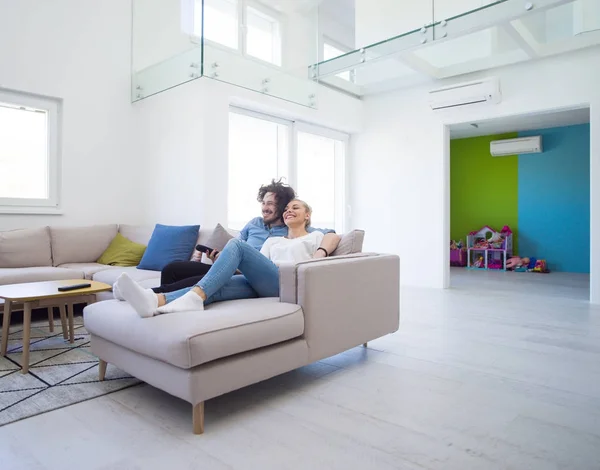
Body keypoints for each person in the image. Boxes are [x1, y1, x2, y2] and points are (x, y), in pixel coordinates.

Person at [115, 199, 338, 318]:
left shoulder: (316, 236)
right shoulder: (273, 242)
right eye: (287, 209)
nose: (289, 211)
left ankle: (192, 296)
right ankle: (154, 302)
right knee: (216, 289)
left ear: (307, 215)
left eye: (295, 208)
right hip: (263, 283)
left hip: (286, 283)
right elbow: (254, 270)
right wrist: (221, 265)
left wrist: (320, 254)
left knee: (237, 245)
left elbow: (334, 236)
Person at [148, 178, 338, 294]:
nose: (265, 207)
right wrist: (219, 257)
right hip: (230, 268)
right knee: (172, 269)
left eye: (271, 204)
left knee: (194, 282)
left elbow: (330, 235)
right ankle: (163, 309)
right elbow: (235, 246)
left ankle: (153, 296)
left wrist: (321, 252)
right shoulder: (254, 223)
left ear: (283, 207)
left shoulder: (290, 231)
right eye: (263, 202)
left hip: (251, 276)